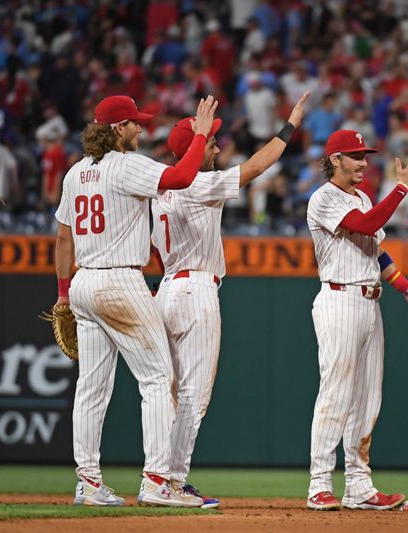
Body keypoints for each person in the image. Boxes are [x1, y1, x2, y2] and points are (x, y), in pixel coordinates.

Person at [53, 94, 219, 507]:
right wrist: (199, 135)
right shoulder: (127, 165)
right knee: (159, 379)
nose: (141, 130)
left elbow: (62, 237)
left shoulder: (75, 173)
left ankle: (88, 482)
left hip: (83, 282)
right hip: (119, 280)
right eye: (134, 124)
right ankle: (157, 481)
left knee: (91, 388)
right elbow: (181, 178)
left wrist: (61, 295)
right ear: (116, 130)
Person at [150, 91, 310, 508]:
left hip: (166, 288)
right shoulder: (197, 182)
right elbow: (258, 165)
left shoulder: (158, 188)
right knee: (192, 394)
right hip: (195, 290)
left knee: (164, 392)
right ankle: (172, 482)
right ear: (194, 148)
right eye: (210, 141)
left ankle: (156, 476)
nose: (218, 146)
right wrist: (290, 125)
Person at [305, 130, 408, 511]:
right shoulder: (324, 197)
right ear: (335, 159)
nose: (363, 162)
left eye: (364, 155)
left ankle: (358, 485)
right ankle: (319, 484)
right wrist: (402, 188)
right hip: (339, 300)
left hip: (370, 301)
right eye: (355, 155)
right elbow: (366, 225)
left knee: (367, 400)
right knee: (336, 394)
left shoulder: (362, 197)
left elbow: (377, 252)